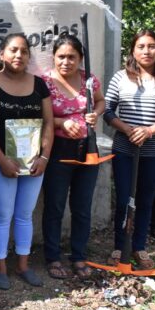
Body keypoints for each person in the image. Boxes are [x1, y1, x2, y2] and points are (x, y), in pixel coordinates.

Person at [104, 30, 155, 269]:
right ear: (133, 51)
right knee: (124, 200)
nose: (146, 51)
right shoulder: (120, 77)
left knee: (146, 200)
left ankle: (139, 247)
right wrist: (128, 129)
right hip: (125, 149)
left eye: (151, 46)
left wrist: (150, 131)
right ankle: (120, 246)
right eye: (141, 46)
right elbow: (107, 111)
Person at [0, 33, 54, 290]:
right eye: (13, 50)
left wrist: (44, 157)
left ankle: (23, 265)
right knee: (3, 215)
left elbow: (48, 123)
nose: (18, 55)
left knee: (25, 214)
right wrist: (1, 160)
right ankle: (0, 268)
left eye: (24, 51)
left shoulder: (39, 85)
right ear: (2, 54)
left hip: (33, 163)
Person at [40, 33, 105, 280]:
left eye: (72, 57)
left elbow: (101, 102)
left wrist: (95, 114)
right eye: (61, 56)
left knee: (82, 206)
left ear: (80, 59)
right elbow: (39, 116)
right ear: (54, 57)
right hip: (58, 149)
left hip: (88, 148)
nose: (66, 62)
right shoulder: (44, 82)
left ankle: (79, 255)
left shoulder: (89, 80)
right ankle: (53, 257)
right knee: (55, 205)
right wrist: (62, 123)